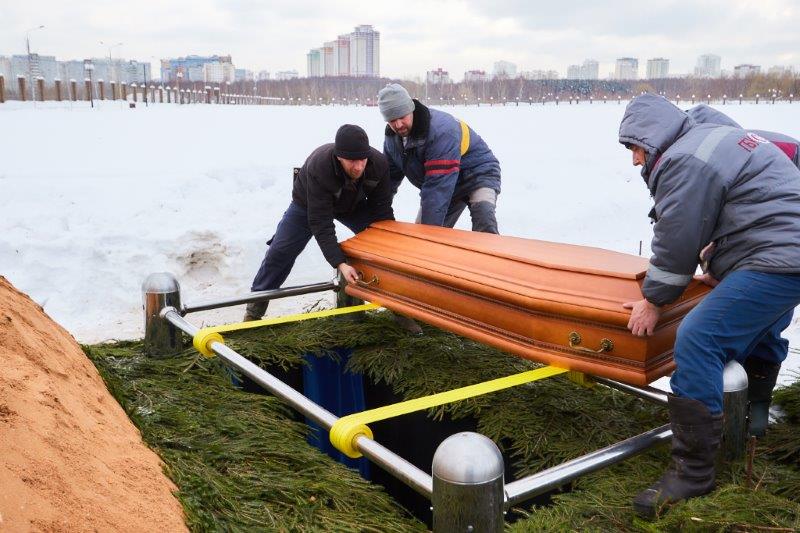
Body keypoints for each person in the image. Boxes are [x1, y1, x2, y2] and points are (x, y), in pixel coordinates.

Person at [618, 93, 800, 518]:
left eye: (634, 148)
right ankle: (752, 418)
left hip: (779, 257)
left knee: (698, 338)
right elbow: (748, 208)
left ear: (651, 136)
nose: (634, 160)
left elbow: (677, 236)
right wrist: (728, 266)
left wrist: (654, 300)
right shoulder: (714, 138)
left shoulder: (685, 158)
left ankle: (693, 472)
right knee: (761, 326)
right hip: (784, 251)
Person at [244, 124, 394, 321]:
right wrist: (339, 263)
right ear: (339, 156)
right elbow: (320, 221)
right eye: (351, 161)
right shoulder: (320, 166)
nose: (358, 167)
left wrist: (389, 239)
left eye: (362, 160)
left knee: (385, 243)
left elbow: (382, 210)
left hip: (353, 205)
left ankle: (397, 307)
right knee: (280, 253)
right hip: (307, 204)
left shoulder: (379, 164)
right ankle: (253, 312)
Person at [377, 83, 502, 233]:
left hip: (478, 173)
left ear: (411, 109)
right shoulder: (392, 140)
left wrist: (428, 236)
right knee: (422, 237)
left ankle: (487, 254)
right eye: (391, 120)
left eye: (402, 117)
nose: (398, 125)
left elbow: (437, 189)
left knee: (484, 220)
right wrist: (377, 216)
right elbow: (388, 180)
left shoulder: (441, 131)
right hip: (444, 183)